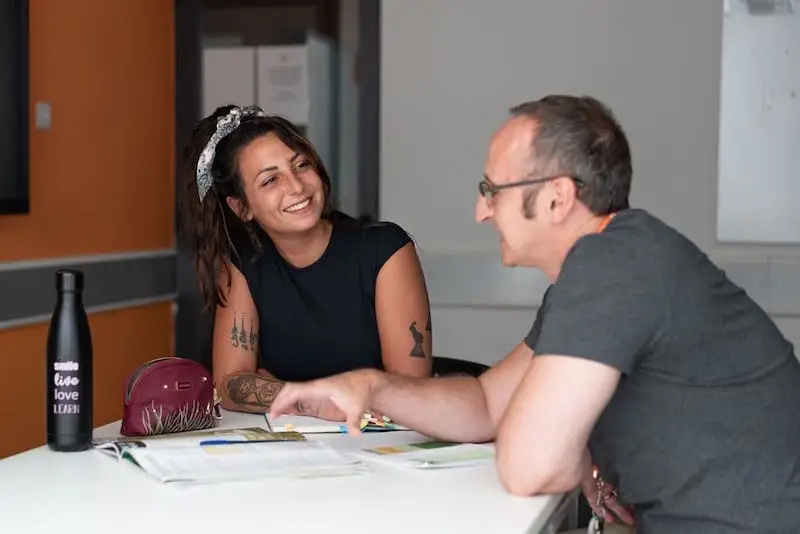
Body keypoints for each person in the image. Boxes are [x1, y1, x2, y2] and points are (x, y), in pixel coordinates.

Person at [269, 95, 800, 533]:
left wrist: (575, 447)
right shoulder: (609, 264)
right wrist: (370, 387)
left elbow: (531, 466)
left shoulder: (613, 263)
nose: (481, 211)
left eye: (492, 191)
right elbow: (485, 404)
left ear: (556, 199)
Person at [178, 104, 433, 416]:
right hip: (297, 445)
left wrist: (278, 390)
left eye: (300, 166)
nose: (296, 187)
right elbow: (230, 384)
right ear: (241, 207)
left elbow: (410, 389)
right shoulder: (243, 264)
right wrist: (315, 401)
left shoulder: (385, 249)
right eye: (270, 180)